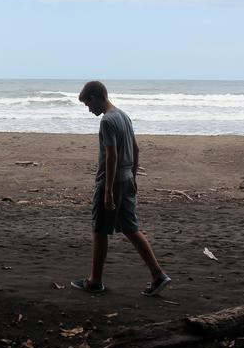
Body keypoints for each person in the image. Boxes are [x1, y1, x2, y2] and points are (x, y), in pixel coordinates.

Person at [71, 80, 171, 296]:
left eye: (88, 104)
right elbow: (135, 149)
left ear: (95, 98)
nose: (89, 110)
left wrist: (107, 191)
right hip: (126, 178)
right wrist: (133, 177)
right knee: (130, 228)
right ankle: (158, 274)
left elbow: (112, 155)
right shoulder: (123, 116)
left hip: (112, 180)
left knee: (100, 230)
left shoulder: (107, 121)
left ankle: (95, 281)